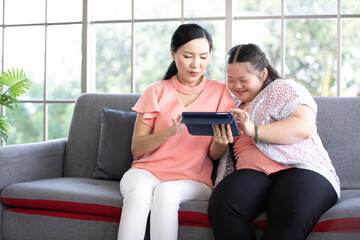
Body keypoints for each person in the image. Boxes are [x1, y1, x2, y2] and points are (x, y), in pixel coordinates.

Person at [208, 43, 340, 240]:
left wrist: (254, 130)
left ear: (262, 74)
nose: (236, 86)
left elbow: (303, 127)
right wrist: (220, 140)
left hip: (299, 169)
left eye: (244, 80)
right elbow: (214, 154)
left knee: (289, 210)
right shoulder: (232, 107)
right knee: (223, 205)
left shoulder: (284, 89)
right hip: (252, 173)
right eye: (231, 80)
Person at [117, 23, 235, 240]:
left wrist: (221, 141)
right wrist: (169, 132)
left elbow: (213, 154)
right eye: (188, 56)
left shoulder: (220, 93)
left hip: (194, 179)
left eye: (203, 57)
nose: (196, 65)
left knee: (166, 193)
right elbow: (137, 147)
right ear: (173, 53)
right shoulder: (156, 91)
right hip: (146, 171)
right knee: (139, 193)